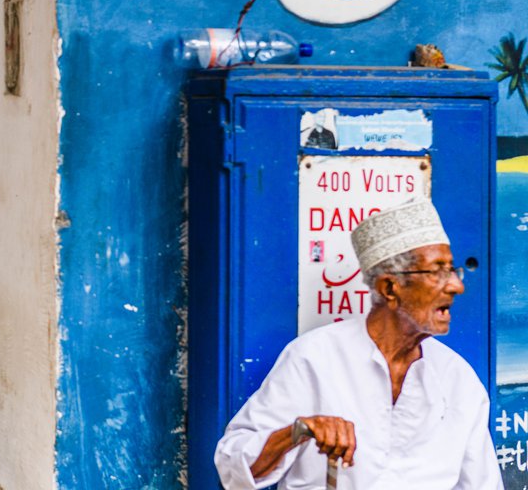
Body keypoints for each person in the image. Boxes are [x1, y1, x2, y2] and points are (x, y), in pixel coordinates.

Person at [214, 198, 501, 489]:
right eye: (436, 271)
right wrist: (298, 431)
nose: (456, 285)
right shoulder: (314, 357)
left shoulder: (458, 379)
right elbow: (232, 464)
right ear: (389, 288)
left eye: (452, 270)